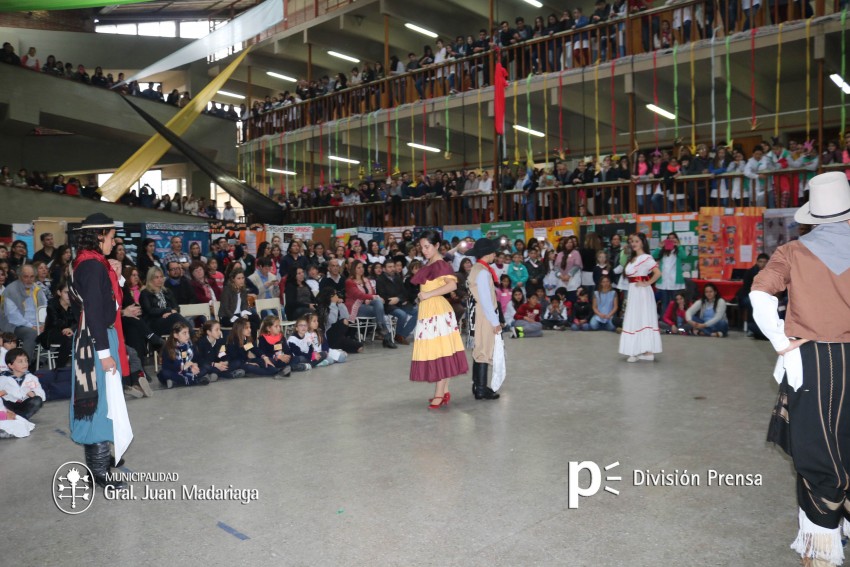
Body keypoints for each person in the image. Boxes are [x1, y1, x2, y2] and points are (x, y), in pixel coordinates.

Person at [750, 172, 850, 567]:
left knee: (819, 451)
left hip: (816, 362)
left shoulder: (792, 252)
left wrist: (780, 340)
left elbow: (759, 294)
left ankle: (821, 551)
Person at [68, 213, 131, 489]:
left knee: (102, 400)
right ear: (99, 234)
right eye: (112, 236)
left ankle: (102, 460)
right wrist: (104, 354)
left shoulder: (88, 262)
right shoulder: (92, 266)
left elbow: (107, 302)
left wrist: (116, 277)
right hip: (96, 341)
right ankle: (98, 471)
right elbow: (95, 311)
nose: (114, 242)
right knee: (98, 402)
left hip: (95, 338)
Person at [409, 230, 469, 409]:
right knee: (440, 351)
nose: (424, 250)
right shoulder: (430, 263)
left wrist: (428, 294)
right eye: (422, 247)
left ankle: (439, 393)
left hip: (437, 311)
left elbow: (452, 285)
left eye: (427, 246)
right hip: (429, 311)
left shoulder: (440, 264)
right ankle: (444, 391)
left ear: (436, 245)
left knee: (440, 352)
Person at [466, 238, 502, 400]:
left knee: (479, 348)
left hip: (478, 313)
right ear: (488, 253)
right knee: (484, 349)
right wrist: (495, 322)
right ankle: (481, 388)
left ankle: (477, 385)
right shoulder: (483, 272)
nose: (495, 254)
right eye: (494, 252)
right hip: (484, 315)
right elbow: (486, 300)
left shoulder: (477, 269)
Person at [618, 233, 662, 362]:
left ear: (642, 242)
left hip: (642, 293)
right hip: (633, 291)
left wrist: (647, 283)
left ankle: (638, 352)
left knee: (641, 318)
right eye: (632, 241)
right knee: (635, 318)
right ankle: (644, 351)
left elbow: (657, 273)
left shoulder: (647, 257)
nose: (634, 243)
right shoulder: (632, 258)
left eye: (637, 241)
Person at [345, 261, 397, 349]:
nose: (361, 269)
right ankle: (386, 337)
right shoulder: (349, 282)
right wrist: (373, 297)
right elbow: (359, 295)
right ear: (353, 269)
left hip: (367, 305)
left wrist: (372, 298)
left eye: (362, 267)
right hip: (356, 307)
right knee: (379, 309)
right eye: (358, 267)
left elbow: (372, 293)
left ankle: (380, 328)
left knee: (378, 303)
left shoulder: (366, 280)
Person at [2, 264, 47, 358]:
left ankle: (41, 360)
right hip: (15, 325)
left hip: (38, 324)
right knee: (31, 333)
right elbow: (13, 316)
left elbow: (45, 308)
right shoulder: (11, 290)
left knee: (57, 330)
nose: (29, 279)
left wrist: (43, 324)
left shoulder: (37, 289)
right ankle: (25, 362)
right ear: (19, 277)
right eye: (26, 276)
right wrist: (32, 326)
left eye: (32, 276)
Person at [140, 267, 192, 337]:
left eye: (161, 277)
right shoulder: (145, 293)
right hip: (154, 323)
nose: (160, 279)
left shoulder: (167, 291)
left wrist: (170, 313)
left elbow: (176, 307)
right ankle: (194, 337)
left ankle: (190, 339)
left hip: (170, 320)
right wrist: (167, 311)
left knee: (179, 323)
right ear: (150, 279)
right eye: (156, 277)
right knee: (177, 318)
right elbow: (150, 311)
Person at [375, 259, 418, 344]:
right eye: (389, 267)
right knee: (402, 315)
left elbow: (404, 293)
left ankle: (401, 335)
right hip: (388, 305)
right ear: (384, 269)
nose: (392, 269)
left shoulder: (397, 278)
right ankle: (399, 336)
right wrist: (394, 299)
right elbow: (382, 296)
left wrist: (398, 299)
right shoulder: (380, 280)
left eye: (393, 267)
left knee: (418, 312)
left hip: (400, 303)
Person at [157, 322, 211, 388]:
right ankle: (196, 380)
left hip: (188, 369)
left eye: (188, 333)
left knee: (206, 367)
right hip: (175, 371)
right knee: (165, 373)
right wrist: (185, 367)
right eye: (184, 333)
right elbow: (171, 366)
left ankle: (175, 381)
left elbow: (197, 358)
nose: (188, 336)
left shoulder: (190, 344)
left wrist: (195, 365)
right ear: (176, 335)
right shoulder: (169, 348)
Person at [39, 280, 77, 367]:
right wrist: (68, 329)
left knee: (83, 337)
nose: (69, 295)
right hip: (52, 333)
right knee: (68, 340)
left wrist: (71, 329)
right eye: (66, 292)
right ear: (59, 292)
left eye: (71, 293)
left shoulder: (75, 305)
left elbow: (79, 321)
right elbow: (55, 323)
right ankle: (60, 368)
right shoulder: (52, 305)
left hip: (70, 332)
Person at [0, 348, 45, 419]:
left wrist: (33, 393)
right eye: (20, 361)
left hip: (24, 404)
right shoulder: (4, 377)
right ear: (11, 365)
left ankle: (20, 418)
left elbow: (41, 393)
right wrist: (4, 392)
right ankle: (12, 417)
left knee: (37, 400)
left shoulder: (31, 377)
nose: (25, 364)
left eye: (26, 361)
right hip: (8, 404)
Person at [218, 267, 260, 336]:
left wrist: (244, 314)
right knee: (247, 324)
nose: (241, 280)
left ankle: (251, 341)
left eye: (243, 278)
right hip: (228, 317)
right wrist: (236, 318)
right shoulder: (227, 290)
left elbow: (244, 304)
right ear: (233, 279)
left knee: (255, 319)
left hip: (239, 315)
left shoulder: (243, 290)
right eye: (239, 278)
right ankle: (246, 340)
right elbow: (225, 308)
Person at [652, 233, 687, 313]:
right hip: (664, 282)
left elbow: (684, 257)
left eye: (673, 238)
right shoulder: (663, 251)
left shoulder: (678, 250)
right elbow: (654, 256)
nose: (671, 240)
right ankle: (664, 319)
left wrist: (679, 246)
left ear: (676, 239)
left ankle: (674, 319)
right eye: (669, 238)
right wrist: (659, 247)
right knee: (665, 303)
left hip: (675, 282)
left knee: (674, 303)